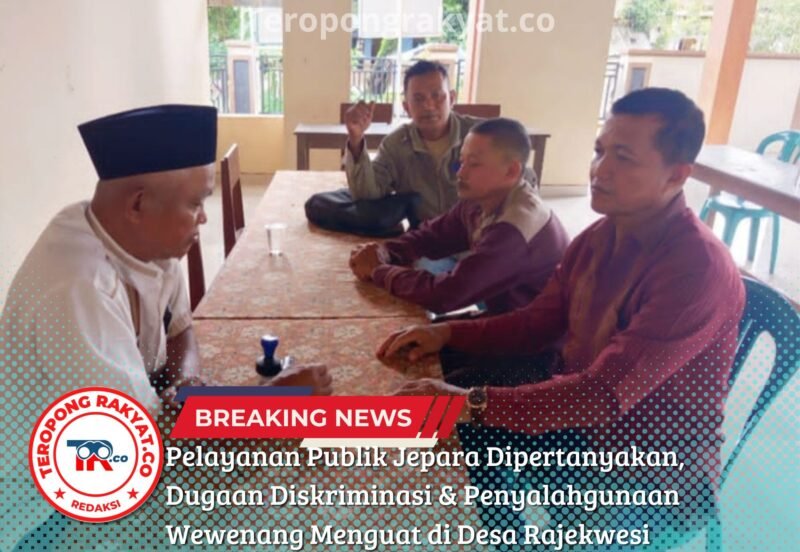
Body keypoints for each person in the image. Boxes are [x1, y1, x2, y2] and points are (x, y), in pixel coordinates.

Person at [378, 88, 745, 542]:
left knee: (463, 413)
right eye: (599, 151)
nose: (600, 170)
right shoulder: (596, 239)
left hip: (653, 475)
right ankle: (507, 539)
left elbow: (602, 394)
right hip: (584, 430)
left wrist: (468, 402)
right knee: (456, 423)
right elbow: (537, 322)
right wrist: (447, 333)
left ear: (676, 175)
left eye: (623, 158)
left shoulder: (695, 267)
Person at [1, 105, 331, 550]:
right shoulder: (78, 288)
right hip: (44, 514)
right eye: (195, 203)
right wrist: (271, 406)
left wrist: (183, 384)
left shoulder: (141, 239)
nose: (204, 218)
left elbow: (180, 331)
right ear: (138, 204)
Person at [349, 118, 568, 315]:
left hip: (531, 339)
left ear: (511, 171)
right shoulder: (480, 200)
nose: (460, 173)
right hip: (503, 319)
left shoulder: (514, 228)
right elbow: (433, 236)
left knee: (404, 337)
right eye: (461, 162)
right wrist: (385, 251)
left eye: (474, 164)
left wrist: (379, 270)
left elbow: (446, 295)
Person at [344, 60, 537, 223]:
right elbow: (366, 195)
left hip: (481, 236)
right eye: (418, 99)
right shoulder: (396, 145)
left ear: (452, 98)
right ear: (406, 107)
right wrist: (356, 138)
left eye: (437, 96)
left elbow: (523, 177)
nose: (429, 106)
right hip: (426, 240)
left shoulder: (481, 137)